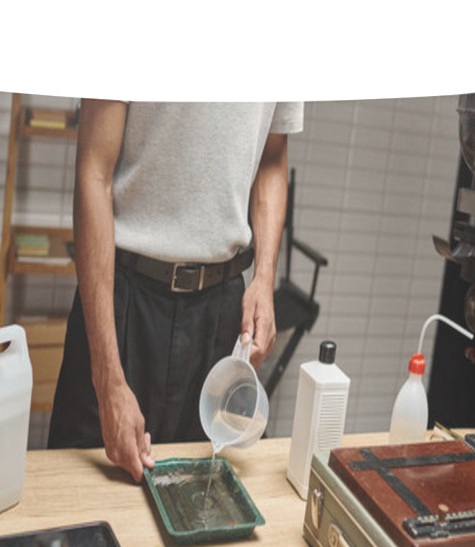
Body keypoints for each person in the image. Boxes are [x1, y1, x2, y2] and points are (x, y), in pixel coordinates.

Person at [47, 100, 304, 482]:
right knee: (81, 511)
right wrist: (108, 381)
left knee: (209, 511)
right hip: (123, 304)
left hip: (222, 317)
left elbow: (272, 159)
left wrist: (264, 279)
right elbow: (94, 172)